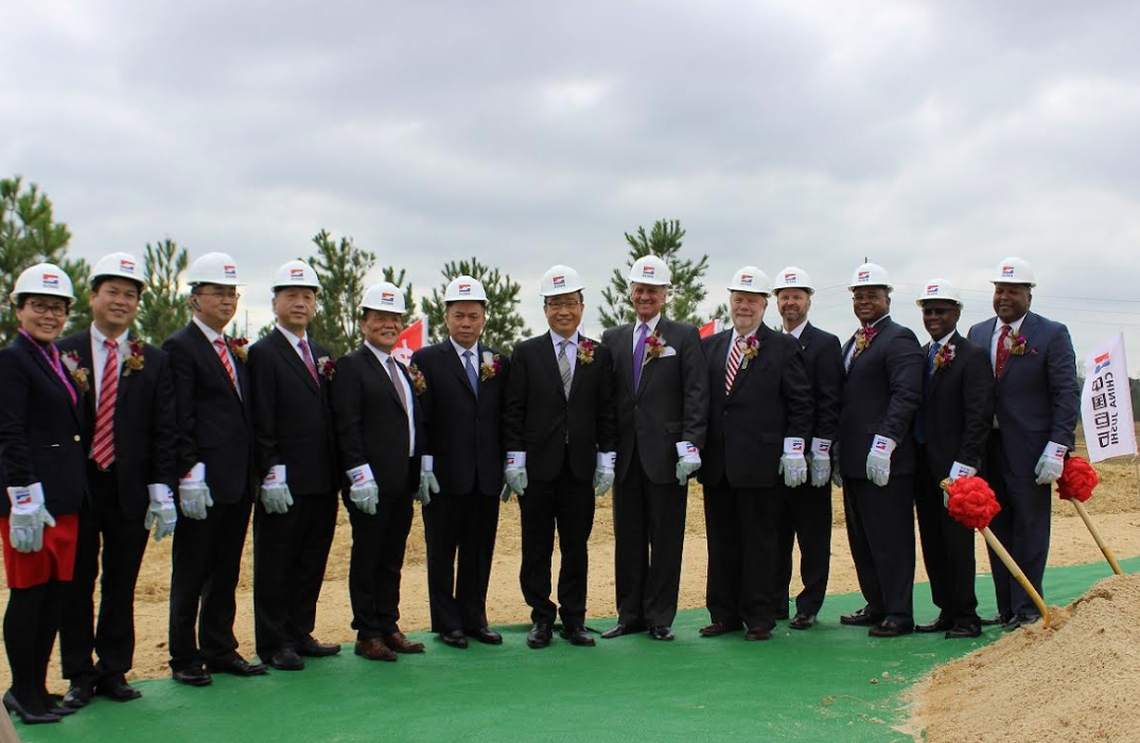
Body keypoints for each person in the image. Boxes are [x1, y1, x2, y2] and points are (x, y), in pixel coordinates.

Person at [56, 253, 177, 708]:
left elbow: (165, 427)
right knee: (76, 582)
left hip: (130, 487)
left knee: (121, 582)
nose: (121, 301)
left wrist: (161, 485)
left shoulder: (153, 360)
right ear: (92, 297)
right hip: (79, 485)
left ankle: (114, 669)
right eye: (112, 292)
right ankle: (78, 675)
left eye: (130, 294)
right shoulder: (65, 352)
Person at [502, 265, 617, 648]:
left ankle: (574, 619)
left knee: (575, 546)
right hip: (537, 467)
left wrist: (607, 459)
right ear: (545, 308)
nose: (563, 311)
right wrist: (514, 461)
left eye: (570, 303)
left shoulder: (597, 355)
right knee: (535, 546)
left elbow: (606, 410)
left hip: (580, 467)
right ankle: (540, 617)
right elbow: (514, 410)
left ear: (582, 306)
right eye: (555, 304)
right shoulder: (526, 352)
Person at [163, 252, 264, 685]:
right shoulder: (180, 348)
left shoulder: (232, 348)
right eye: (217, 292)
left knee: (226, 569)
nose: (226, 301)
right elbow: (179, 416)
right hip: (202, 481)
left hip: (237, 480)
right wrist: (188, 472)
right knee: (192, 570)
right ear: (194, 298)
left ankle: (219, 647)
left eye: (231, 293)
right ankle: (184, 656)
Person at [697, 268, 812, 641]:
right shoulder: (711, 347)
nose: (744, 306)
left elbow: (800, 403)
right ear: (730, 302)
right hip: (719, 465)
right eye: (738, 299)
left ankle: (760, 616)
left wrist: (795, 449)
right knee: (722, 541)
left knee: (761, 543)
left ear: (765, 305)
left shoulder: (783, 346)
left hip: (762, 464)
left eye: (751, 300)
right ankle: (723, 613)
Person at [600, 255, 709, 642]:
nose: (646, 296)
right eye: (640, 289)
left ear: (665, 294)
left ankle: (660, 617)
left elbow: (696, 394)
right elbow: (608, 401)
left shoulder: (683, 335)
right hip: (627, 458)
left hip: (667, 456)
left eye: (653, 290)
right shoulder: (612, 338)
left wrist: (691, 446)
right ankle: (629, 614)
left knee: (665, 539)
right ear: (630, 292)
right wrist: (605, 452)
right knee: (628, 539)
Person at [967, 258, 1079, 628]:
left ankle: (1028, 608)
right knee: (995, 527)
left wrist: (1058, 446)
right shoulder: (979, 333)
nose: (1004, 297)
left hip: (1031, 450)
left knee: (1029, 529)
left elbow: (1065, 393)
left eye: (1013, 290)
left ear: (1029, 294)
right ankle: (1006, 608)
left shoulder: (1051, 334)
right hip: (989, 450)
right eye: (999, 290)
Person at [0, 264, 86, 724]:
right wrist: (23, 498)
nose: (49, 315)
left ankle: (37, 686)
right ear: (19, 309)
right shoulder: (12, 359)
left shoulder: (55, 358)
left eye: (57, 307)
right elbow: (9, 431)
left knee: (54, 596)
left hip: (64, 499)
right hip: (31, 503)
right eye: (39, 306)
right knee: (28, 594)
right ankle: (21, 690)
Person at [248, 261, 341, 671]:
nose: (300, 303)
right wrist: (270, 472)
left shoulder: (320, 354)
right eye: (292, 296)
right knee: (276, 562)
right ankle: (274, 641)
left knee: (311, 558)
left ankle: (300, 631)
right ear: (275, 303)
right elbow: (261, 419)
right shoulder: (262, 354)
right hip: (283, 479)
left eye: (307, 297)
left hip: (322, 477)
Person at [410, 276, 510, 649]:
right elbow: (422, 416)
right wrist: (424, 466)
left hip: (485, 474)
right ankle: (446, 621)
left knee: (479, 549)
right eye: (458, 315)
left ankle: (474, 617)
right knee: (441, 551)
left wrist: (508, 462)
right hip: (444, 476)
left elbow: (504, 417)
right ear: (446, 317)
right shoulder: (426, 360)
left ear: (484, 317)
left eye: (473, 315)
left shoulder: (497, 361)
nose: (466, 323)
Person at [330, 282, 425, 662]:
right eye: (379, 318)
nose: (388, 325)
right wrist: (357, 473)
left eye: (394, 319)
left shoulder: (401, 368)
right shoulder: (351, 367)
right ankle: (367, 632)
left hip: (402, 481)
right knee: (368, 555)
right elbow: (347, 425)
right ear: (364, 323)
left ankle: (389, 624)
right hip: (369, 482)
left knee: (392, 556)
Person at [837, 262, 923, 637]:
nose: (864, 301)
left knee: (891, 538)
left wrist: (885, 443)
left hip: (886, 460)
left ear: (887, 297)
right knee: (863, 539)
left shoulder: (899, 338)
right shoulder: (851, 342)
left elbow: (906, 396)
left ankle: (900, 612)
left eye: (872, 295)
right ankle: (877, 602)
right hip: (856, 460)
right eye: (859, 296)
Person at [912, 279, 993, 639]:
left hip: (957, 469)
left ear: (956, 313)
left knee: (958, 545)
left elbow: (978, 417)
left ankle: (966, 616)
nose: (933, 317)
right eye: (928, 311)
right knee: (932, 540)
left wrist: (963, 468)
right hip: (923, 467)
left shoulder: (972, 356)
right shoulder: (921, 354)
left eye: (940, 310)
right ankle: (945, 608)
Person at [772, 266, 843, 630]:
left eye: (797, 296)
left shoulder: (825, 343)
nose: (790, 302)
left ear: (809, 301)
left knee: (813, 534)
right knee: (777, 533)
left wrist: (820, 452)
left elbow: (829, 401)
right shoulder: (766, 342)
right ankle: (775, 601)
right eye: (784, 296)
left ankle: (810, 603)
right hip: (776, 458)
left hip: (812, 455)